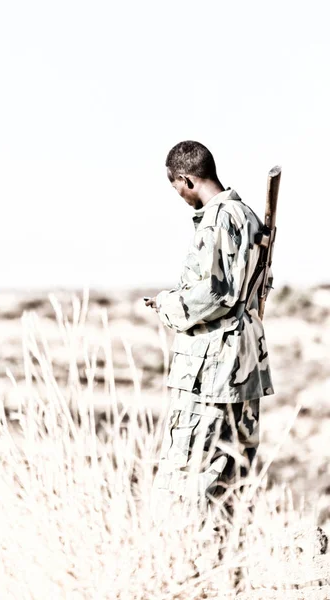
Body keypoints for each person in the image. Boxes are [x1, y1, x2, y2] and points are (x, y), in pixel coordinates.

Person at [145, 140, 274, 527]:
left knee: (199, 469)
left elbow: (216, 293)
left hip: (214, 366)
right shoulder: (248, 216)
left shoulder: (220, 219)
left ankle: (197, 564)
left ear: (185, 179)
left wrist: (169, 305)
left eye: (176, 188)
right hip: (244, 361)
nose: (180, 196)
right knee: (233, 469)